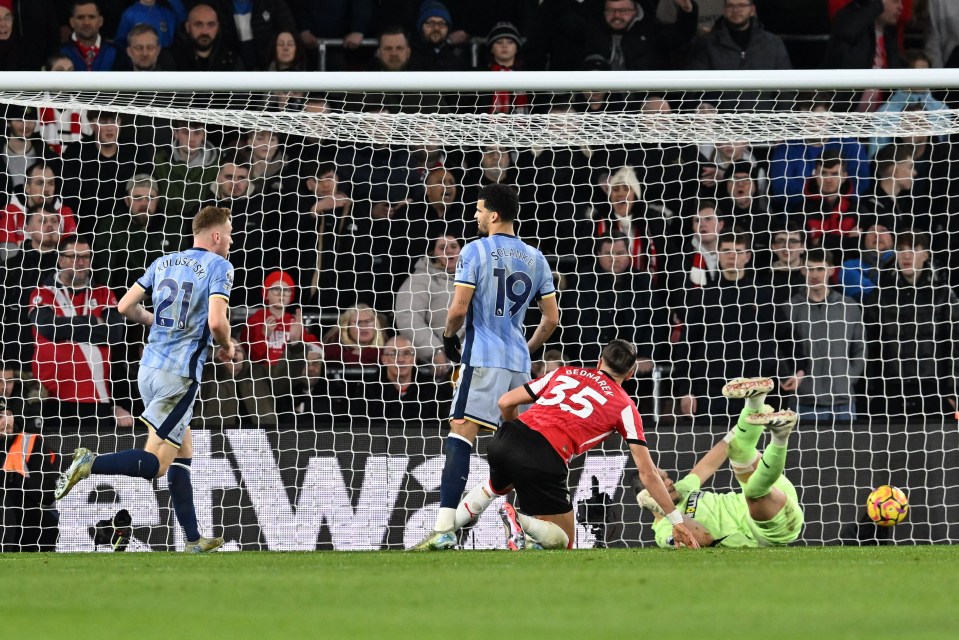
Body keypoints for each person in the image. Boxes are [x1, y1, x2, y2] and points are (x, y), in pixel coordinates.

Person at [53, 205, 236, 554]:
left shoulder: (163, 262)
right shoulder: (219, 266)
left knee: (184, 452)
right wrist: (227, 346)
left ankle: (195, 541)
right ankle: (89, 462)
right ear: (215, 236)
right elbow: (216, 322)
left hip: (149, 369)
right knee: (155, 466)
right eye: (228, 233)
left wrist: (157, 322)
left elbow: (124, 308)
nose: (230, 240)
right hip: (179, 376)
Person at [417, 340, 700, 551]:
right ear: (630, 374)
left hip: (507, 437)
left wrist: (513, 433)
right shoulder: (625, 406)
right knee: (565, 540)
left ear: (600, 360)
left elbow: (505, 402)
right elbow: (647, 473)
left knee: (494, 487)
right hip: (545, 455)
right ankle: (519, 522)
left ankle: (440, 533)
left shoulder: (564, 373)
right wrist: (676, 521)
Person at [413, 182, 559, 550]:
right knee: (519, 448)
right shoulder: (536, 257)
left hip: (481, 359)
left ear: (493, 215)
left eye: (479, 210)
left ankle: (445, 527)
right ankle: (529, 527)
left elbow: (459, 309)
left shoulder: (475, 251)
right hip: (519, 368)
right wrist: (524, 348)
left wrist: (448, 338)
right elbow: (551, 319)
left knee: (461, 433)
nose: (475, 216)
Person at [638, 377, 804, 549]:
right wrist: (667, 513)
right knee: (753, 492)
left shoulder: (682, 489)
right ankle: (780, 437)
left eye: (665, 477)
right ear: (647, 495)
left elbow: (713, 459)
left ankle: (755, 400)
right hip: (768, 528)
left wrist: (746, 421)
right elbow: (704, 539)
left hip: (779, 494)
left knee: (737, 451)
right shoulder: (664, 530)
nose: (670, 481)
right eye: (662, 481)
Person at [28, 236, 134, 429]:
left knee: (96, 458)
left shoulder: (103, 293)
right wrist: (95, 321)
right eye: (74, 257)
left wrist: (65, 327)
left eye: (86, 257)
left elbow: (114, 334)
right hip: (52, 397)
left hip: (96, 397)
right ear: (60, 259)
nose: (81, 262)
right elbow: (48, 328)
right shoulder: (42, 293)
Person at [782, 248, 864, 422]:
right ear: (803, 270)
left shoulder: (849, 307)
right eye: (810, 268)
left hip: (843, 400)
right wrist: (789, 374)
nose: (815, 274)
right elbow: (782, 349)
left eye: (820, 269)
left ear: (831, 270)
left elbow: (860, 348)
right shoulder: (789, 308)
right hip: (803, 400)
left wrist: (849, 378)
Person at [60, 1, 119, 72]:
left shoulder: (118, 53)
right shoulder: (59, 53)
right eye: (80, 17)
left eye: (91, 17)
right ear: (72, 22)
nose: (86, 23)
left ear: (100, 21)